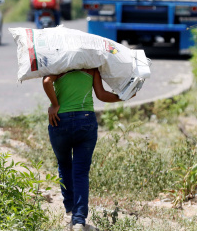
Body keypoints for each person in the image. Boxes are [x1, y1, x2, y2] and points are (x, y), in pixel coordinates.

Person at [42, 68, 133, 230]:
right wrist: (124, 96)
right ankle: (78, 220)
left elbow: (47, 81)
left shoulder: (58, 64)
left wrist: (55, 105)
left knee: (64, 164)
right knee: (81, 172)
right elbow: (101, 95)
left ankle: (70, 210)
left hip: (59, 120)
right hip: (85, 120)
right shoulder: (91, 66)